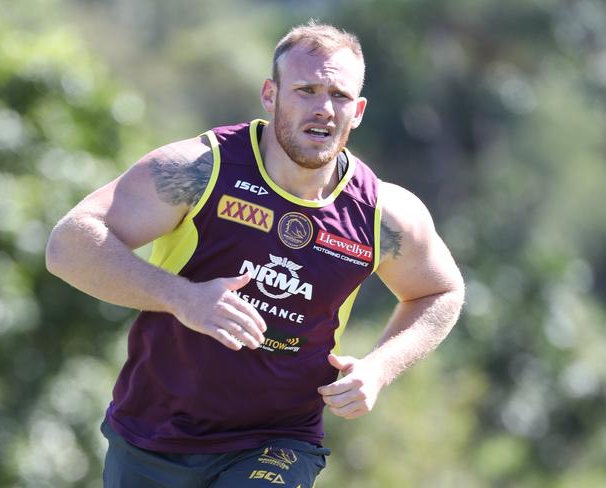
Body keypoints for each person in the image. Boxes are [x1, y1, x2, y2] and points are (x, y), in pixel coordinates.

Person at [46, 20, 464, 488]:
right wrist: (183, 297)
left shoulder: (381, 214)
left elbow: (440, 292)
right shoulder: (201, 170)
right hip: (152, 433)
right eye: (305, 90)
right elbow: (70, 244)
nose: (324, 109)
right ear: (271, 95)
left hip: (279, 439)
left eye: (339, 96)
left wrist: (379, 367)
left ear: (359, 110)